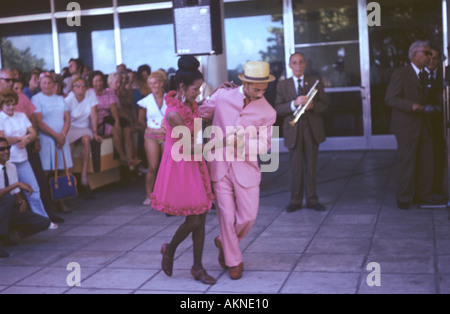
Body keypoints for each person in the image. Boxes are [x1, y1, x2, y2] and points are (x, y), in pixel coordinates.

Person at [198, 61, 277, 280]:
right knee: (226, 214)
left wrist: (238, 143)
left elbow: (264, 146)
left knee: (248, 216)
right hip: (219, 164)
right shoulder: (223, 96)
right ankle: (234, 261)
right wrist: (211, 94)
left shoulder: (268, 111)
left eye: (264, 89)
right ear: (245, 82)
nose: (260, 93)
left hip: (246, 168)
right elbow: (202, 111)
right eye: (256, 88)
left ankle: (224, 241)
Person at [151, 56, 216, 285]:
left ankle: (197, 267)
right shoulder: (174, 113)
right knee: (194, 220)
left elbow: (197, 137)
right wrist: (224, 143)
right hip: (182, 165)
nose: (198, 93)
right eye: (195, 88)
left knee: (202, 216)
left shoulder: (191, 105)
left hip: (195, 162)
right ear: (181, 87)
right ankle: (170, 248)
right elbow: (191, 146)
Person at [275, 52, 328, 213]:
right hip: (293, 130)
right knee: (296, 167)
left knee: (311, 166)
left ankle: (312, 200)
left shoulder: (314, 82)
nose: (298, 65)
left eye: (300, 62)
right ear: (290, 66)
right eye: (294, 63)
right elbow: (278, 108)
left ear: (305, 64)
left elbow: (325, 104)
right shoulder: (282, 85)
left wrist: (313, 106)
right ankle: (295, 201)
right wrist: (293, 104)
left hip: (312, 129)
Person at [385, 40, 435, 209]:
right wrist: (410, 105)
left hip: (423, 124)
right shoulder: (401, 73)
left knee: (425, 159)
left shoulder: (426, 74)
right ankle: (404, 198)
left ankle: (422, 194)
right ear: (415, 54)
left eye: (430, 54)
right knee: (407, 161)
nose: (429, 57)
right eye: (426, 53)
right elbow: (390, 98)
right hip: (406, 126)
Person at [0, 89, 59, 230]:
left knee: (34, 189)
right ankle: (11, 227)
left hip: (22, 157)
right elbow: (2, 139)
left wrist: (27, 140)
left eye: (13, 104)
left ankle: (43, 220)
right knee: (10, 193)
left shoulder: (21, 116)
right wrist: (21, 138)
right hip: (6, 160)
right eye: (7, 104)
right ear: (2, 105)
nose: (11, 107)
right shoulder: (0, 118)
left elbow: (33, 132)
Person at [0, 137, 51, 258]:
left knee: (44, 222)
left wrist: (21, 201)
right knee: (7, 199)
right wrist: (16, 184)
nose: (7, 151)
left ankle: (8, 232)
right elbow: (12, 188)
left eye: (8, 148)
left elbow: (15, 192)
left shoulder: (11, 166)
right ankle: (3, 236)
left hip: (7, 208)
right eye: (2, 149)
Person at [32, 72, 73, 213]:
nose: (47, 86)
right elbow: (38, 121)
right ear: (39, 84)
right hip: (46, 139)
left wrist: (62, 135)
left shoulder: (60, 98)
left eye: (49, 83)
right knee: (46, 171)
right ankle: (45, 204)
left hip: (62, 138)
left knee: (62, 170)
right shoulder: (36, 99)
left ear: (54, 85)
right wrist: (56, 136)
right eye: (43, 83)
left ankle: (61, 202)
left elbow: (67, 118)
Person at [66, 76, 103, 199]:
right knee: (69, 144)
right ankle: (69, 177)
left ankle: (83, 176)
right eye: (77, 86)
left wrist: (95, 132)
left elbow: (93, 114)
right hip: (71, 127)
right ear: (73, 88)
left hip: (84, 127)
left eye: (83, 85)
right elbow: (65, 119)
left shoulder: (90, 94)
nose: (81, 88)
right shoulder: (69, 99)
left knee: (86, 139)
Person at [138, 70, 167, 205]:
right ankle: (149, 195)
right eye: (150, 84)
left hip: (167, 136)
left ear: (161, 83)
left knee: (167, 166)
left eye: (155, 83)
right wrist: (148, 128)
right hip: (151, 136)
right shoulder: (146, 100)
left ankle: (167, 195)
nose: (153, 86)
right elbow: (140, 119)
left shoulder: (169, 98)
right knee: (152, 166)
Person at [425, 46, 447, 197]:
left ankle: (436, 187)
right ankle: (422, 188)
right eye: (429, 57)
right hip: (422, 122)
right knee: (424, 157)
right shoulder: (418, 74)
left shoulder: (444, 74)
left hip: (439, 123)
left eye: (435, 58)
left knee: (439, 155)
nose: (432, 61)